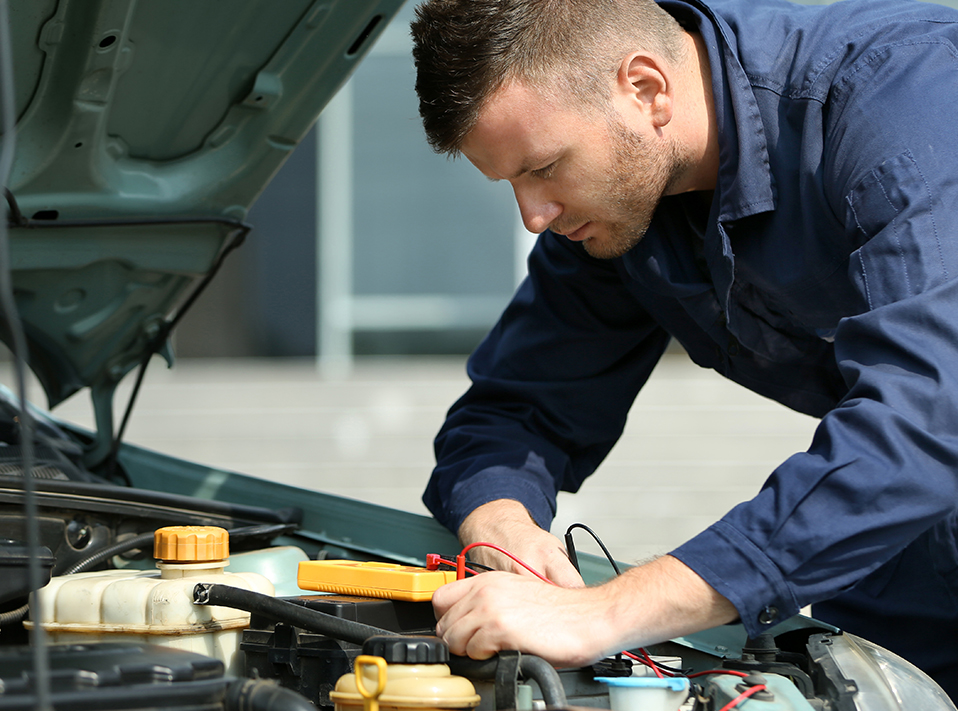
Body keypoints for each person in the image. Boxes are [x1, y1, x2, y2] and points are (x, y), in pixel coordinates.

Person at [410, 0, 958, 697]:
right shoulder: (616, 207)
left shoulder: (912, 99)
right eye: (512, 182)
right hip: (895, 542)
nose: (533, 215)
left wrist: (604, 612)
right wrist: (500, 522)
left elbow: (929, 421)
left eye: (544, 166)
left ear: (645, 89)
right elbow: (515, 409)